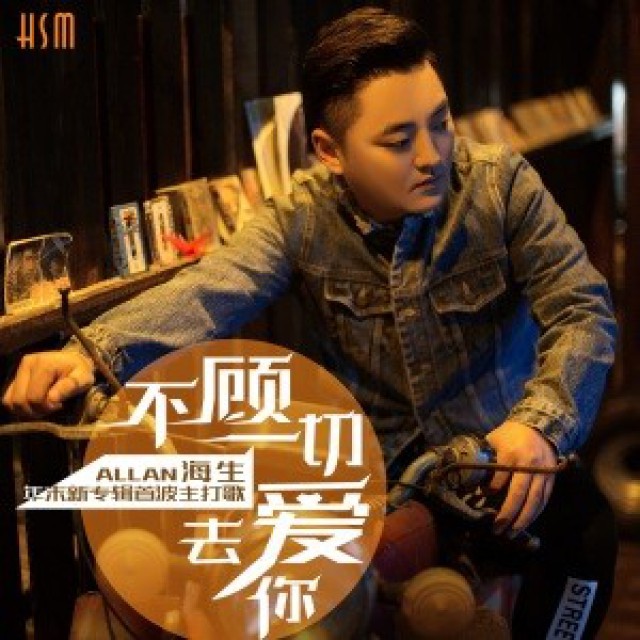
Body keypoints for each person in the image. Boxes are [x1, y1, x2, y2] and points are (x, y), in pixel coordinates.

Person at [2, 8, 617, 639]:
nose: (431, 155)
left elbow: (582, 307)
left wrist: (539, 426)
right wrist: (89, 352)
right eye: (398, 140)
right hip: (380, 495)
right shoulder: (299, 219)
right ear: (330, 151)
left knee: (586, 540)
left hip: (508, 476)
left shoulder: (501, 186)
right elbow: (207, 292)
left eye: (441, 122)